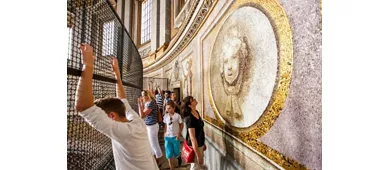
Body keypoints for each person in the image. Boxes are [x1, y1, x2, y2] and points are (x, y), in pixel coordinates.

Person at [75, 43, 159, 170]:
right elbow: (123, 100)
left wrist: (88, 65)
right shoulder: (136, 122)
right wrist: (117, 76)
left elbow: (84, 107)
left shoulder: (124, 132)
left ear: (112, 116)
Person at [138, 89, 164, 167]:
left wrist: (139, 104)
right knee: (151, 143)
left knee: (154, 143)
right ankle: (155, 160)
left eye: (143, 95)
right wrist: (142, 104)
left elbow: (142, 115)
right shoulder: (149, 103)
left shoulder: (151, 103)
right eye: (142, 96)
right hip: (150, 125)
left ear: (147, 95)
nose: (143, 97)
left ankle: (158, 160)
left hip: (152, 126)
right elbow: (143, 113)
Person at [182, 96, 206, 170]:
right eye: (192, 100)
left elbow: (200, 130)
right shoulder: (190, 118)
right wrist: (198, 155)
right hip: (195, 146)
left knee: (198, 167)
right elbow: (192, 138)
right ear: (189, 105)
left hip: (200, 144)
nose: (195, 100)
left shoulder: (196, 112)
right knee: (195, 167)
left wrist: (203, 143)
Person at [163, 101, 184, 170]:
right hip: (167, 137)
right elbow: (165, 125)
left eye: (169, 108)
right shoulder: (165, 116)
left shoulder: (177, 116)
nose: (168, 110)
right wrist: (164, 133)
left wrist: (179, 134)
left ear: (174, 108)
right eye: (167, 108)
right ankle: (172, 168)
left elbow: (181, 125)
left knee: (176, 152)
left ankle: (178, 156)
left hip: (175, 137)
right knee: (169, 154)